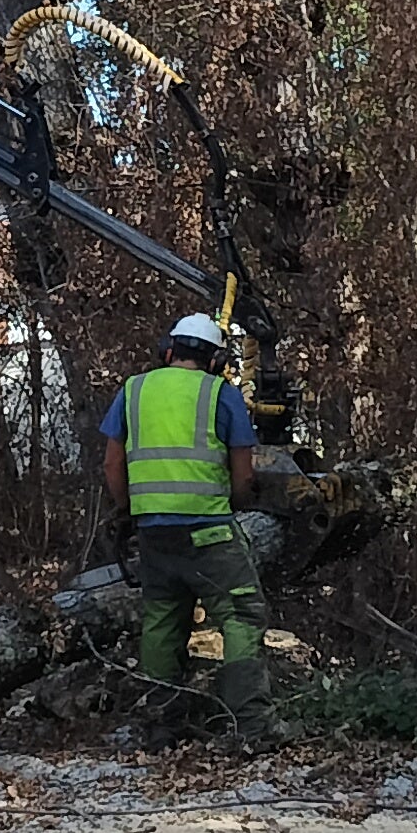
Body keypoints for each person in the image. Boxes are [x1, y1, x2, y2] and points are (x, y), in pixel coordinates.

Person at [100, 312, 275, 749]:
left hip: (154, 534)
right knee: (240, 616)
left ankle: (162, 725)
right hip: (210, 533)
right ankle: (250, 728)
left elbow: (111, 463)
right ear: (216, 360)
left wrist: (127, 510)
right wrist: (240, 503)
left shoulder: (133, 390)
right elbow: (242, 475)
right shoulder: (221, 394)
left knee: (161, 621)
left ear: (169, 350)